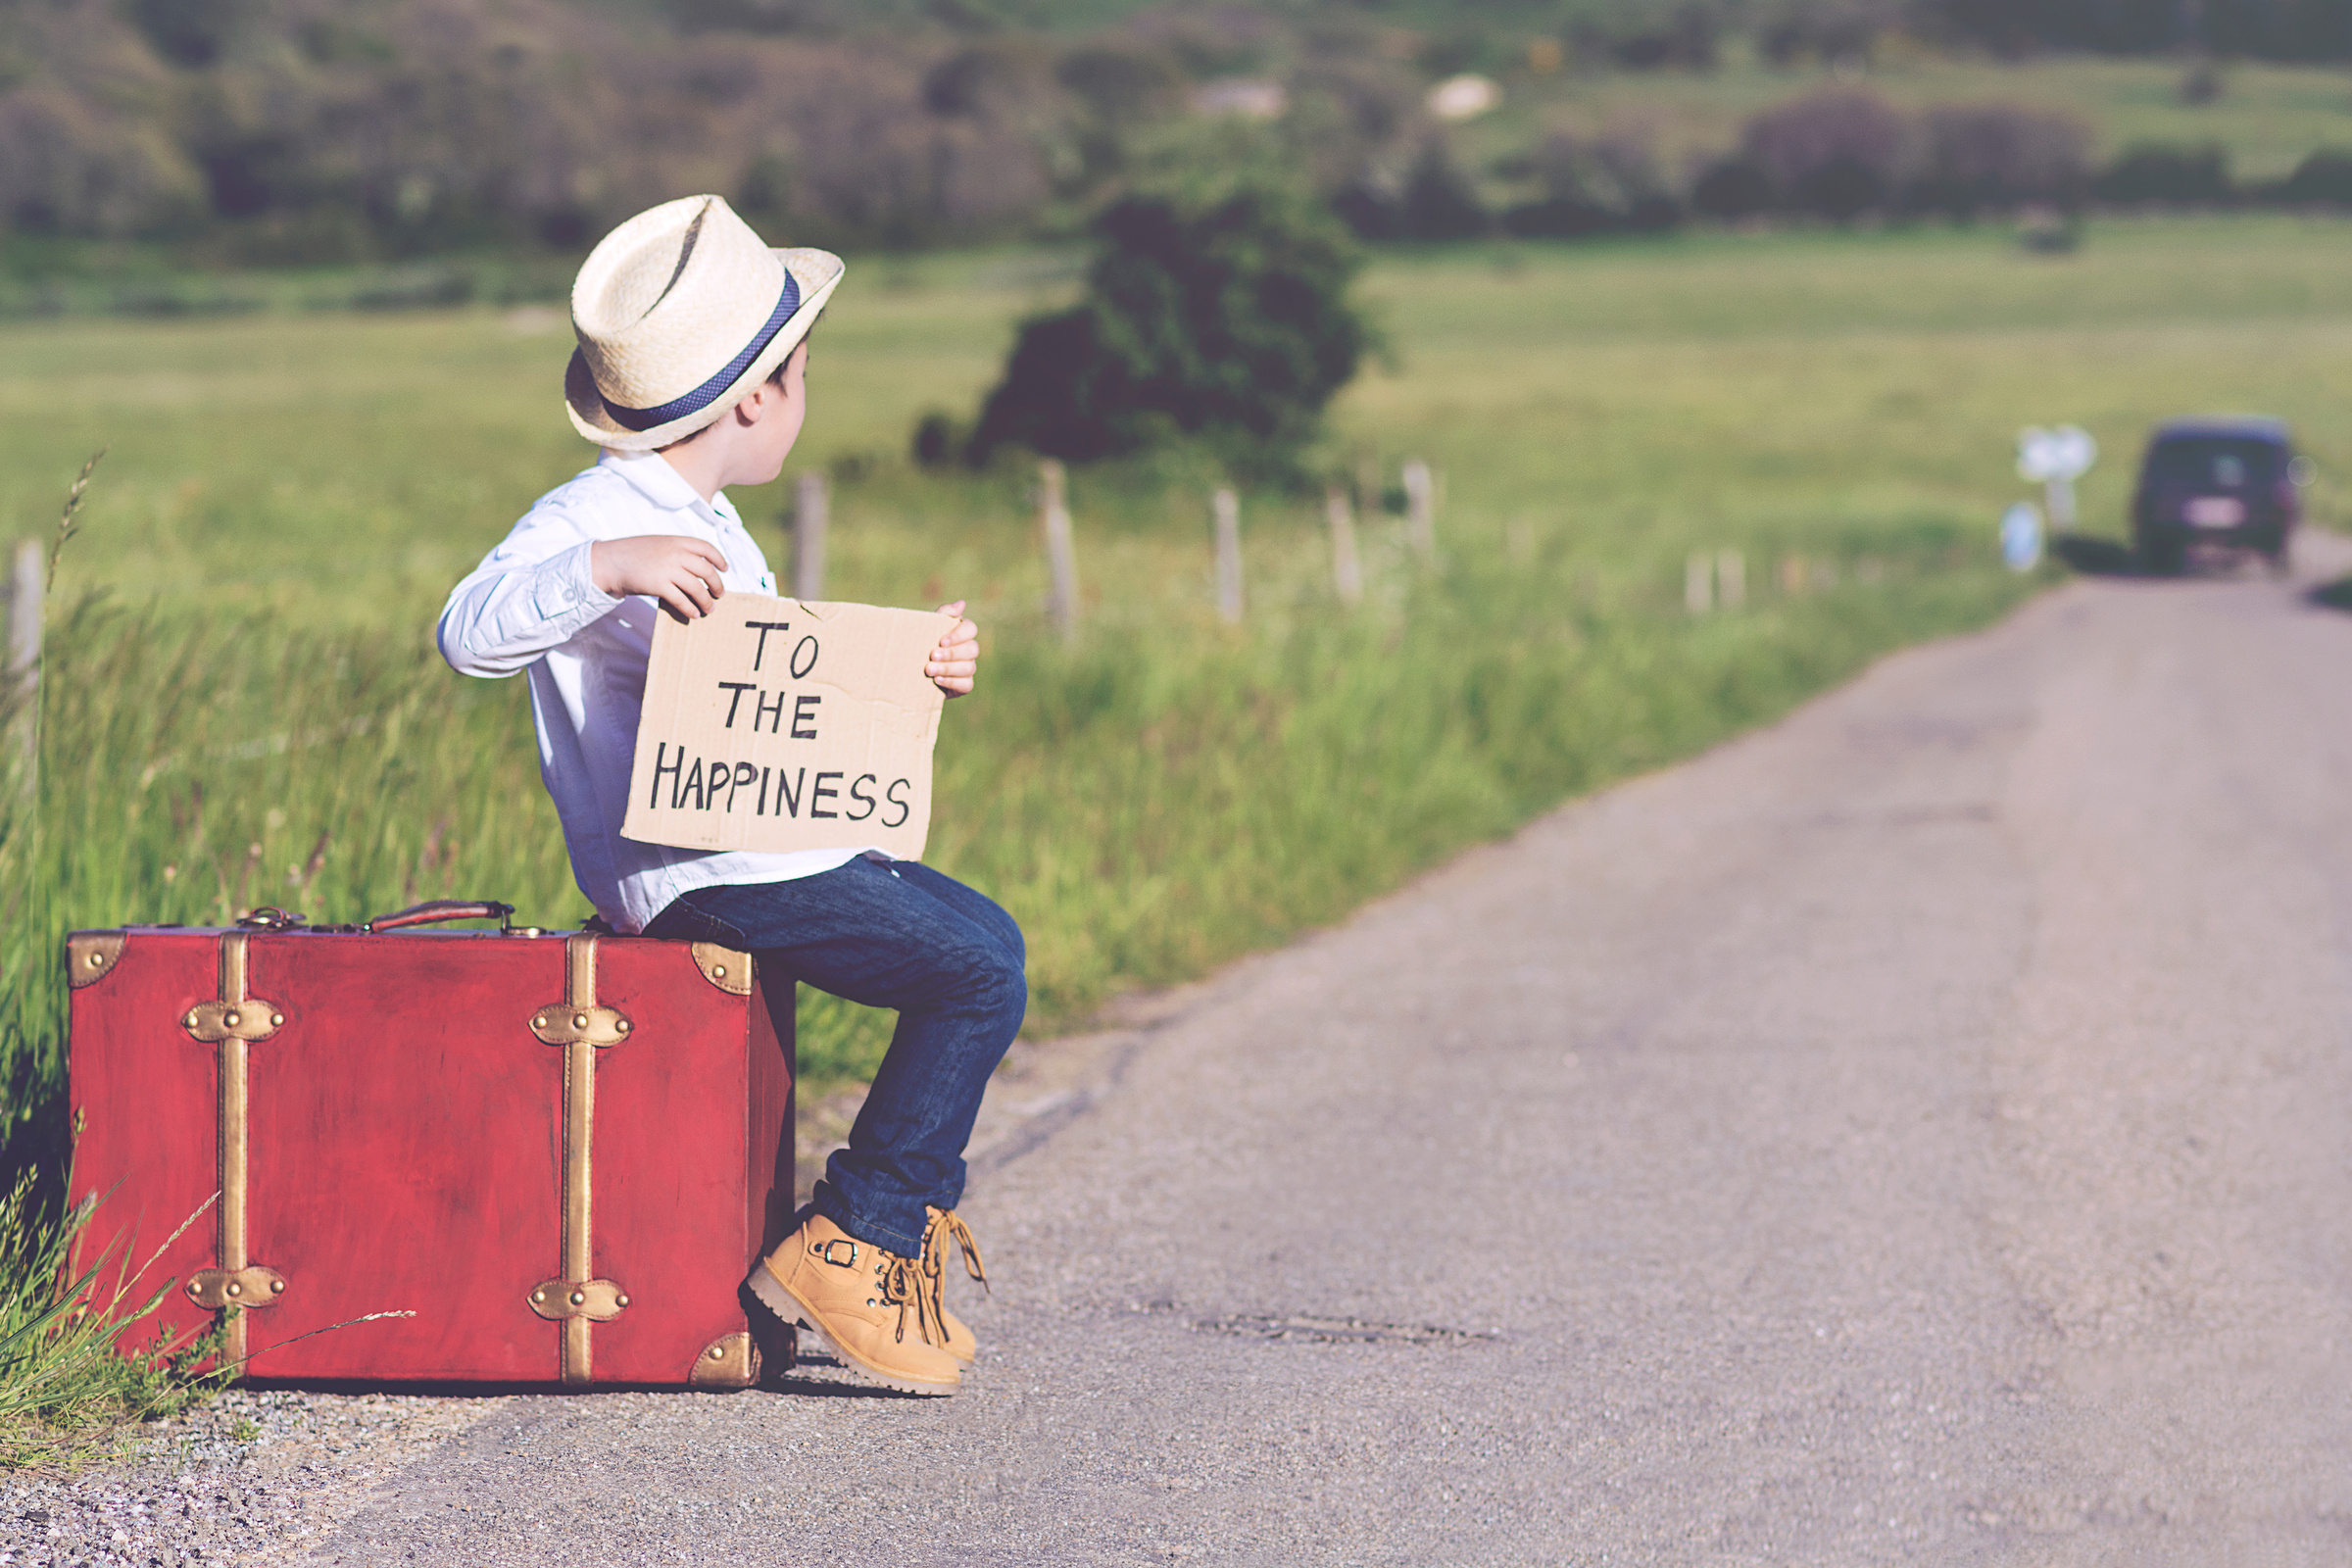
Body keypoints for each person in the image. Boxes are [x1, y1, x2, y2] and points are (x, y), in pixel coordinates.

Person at [437, 194, 1022, 1396]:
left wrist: (916, 672)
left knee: (990, 940)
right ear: (760, 398)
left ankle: (866, 1233)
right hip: (697, 875)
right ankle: (856, 1240)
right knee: (974, 974)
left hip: (771, 854)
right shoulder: (594, 516)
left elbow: (780, 689)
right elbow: (466, 630)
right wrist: (605, 570)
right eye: (804, 377)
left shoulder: (715, 522)